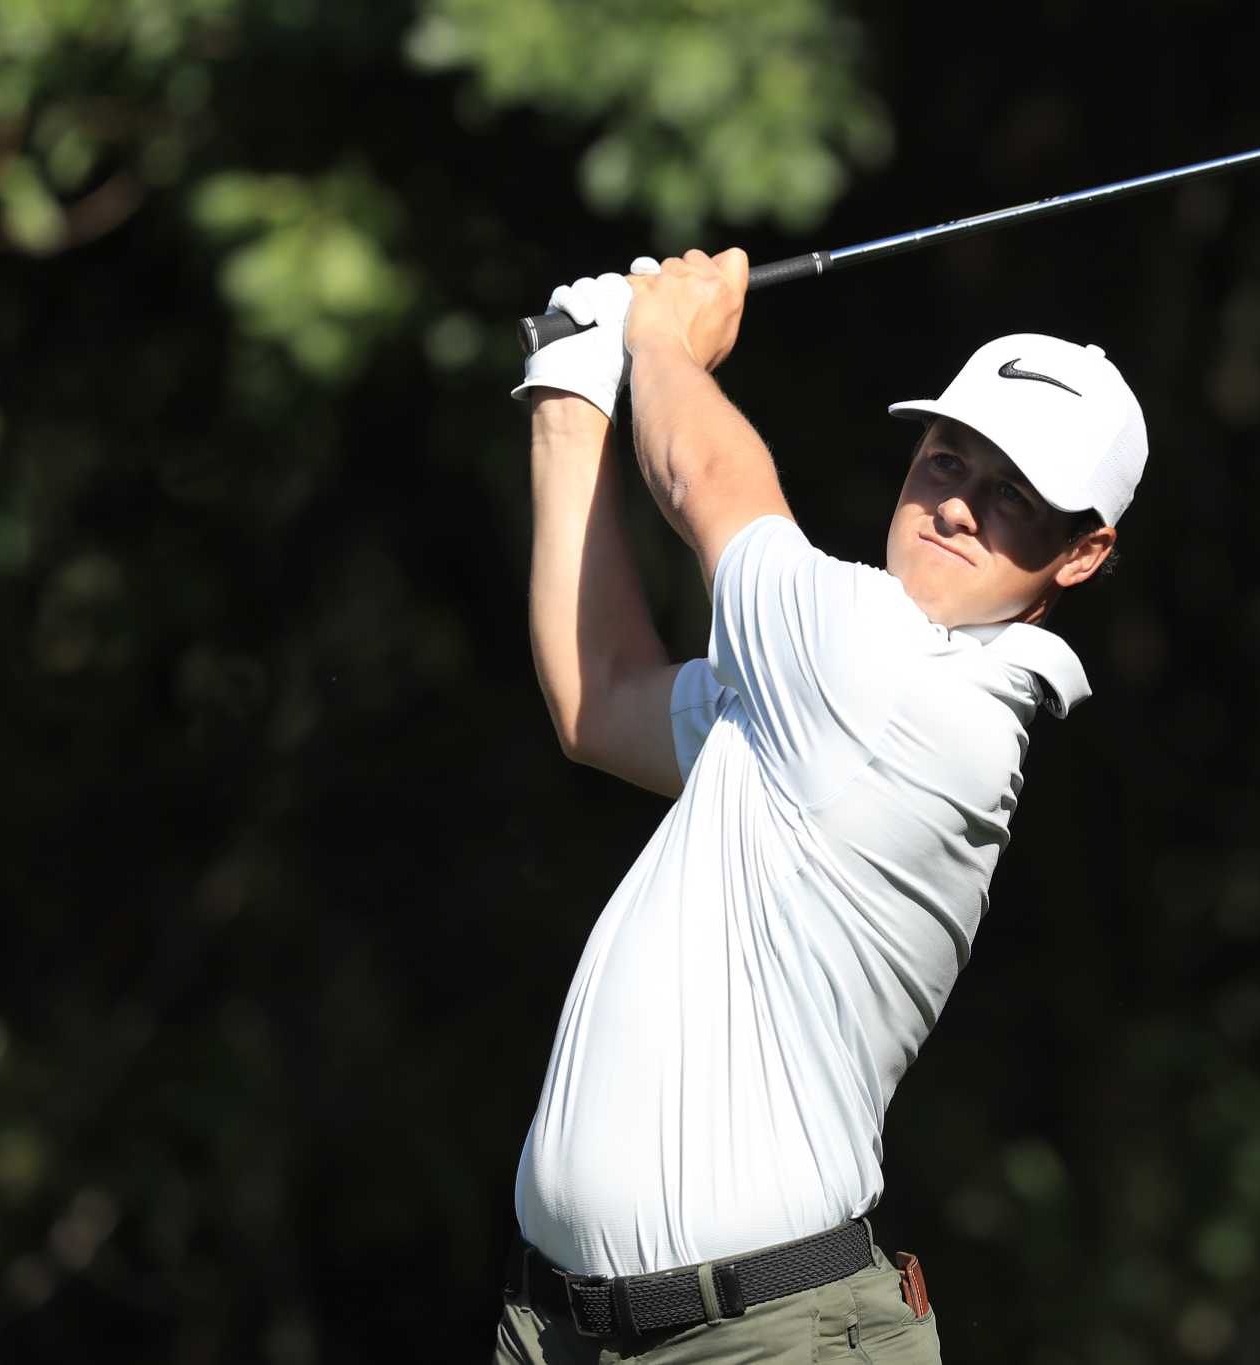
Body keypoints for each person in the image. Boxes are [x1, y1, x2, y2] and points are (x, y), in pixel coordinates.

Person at [496, 247, 1147, 1364]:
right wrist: (570, 391)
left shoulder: (890, 680)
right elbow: (596, 703)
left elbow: (709, 482)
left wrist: (660, 337)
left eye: (1014, 498)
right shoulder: (808, 705)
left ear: (1082, 554)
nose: (958, 508)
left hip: (768, 1342)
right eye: (946, 461)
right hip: (564, 1332)